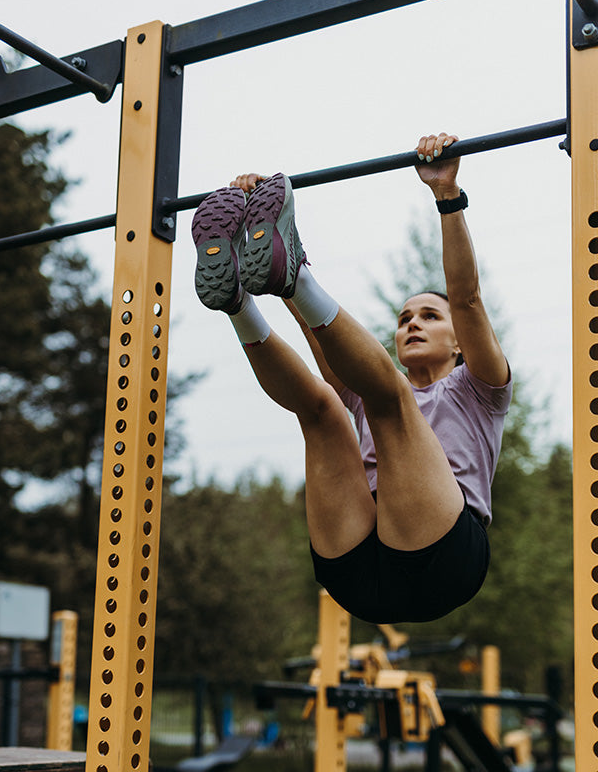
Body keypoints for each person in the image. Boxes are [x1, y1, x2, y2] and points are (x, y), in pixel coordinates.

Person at [191, 133, 512, 624]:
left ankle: (292, 273)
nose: (412, 324)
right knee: (321, 410)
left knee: (389, 400)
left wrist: (448, 196)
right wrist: (251, 233)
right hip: (356, 568)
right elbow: (318, 337)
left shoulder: (480, 389)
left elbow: (465, 297)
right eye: (405, 318)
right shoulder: (367, 388)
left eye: (429, 316)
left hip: (442, 561)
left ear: (460, 344)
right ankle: (237, 304)